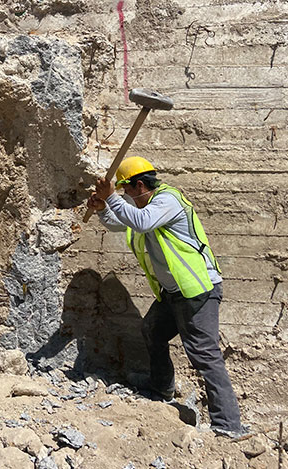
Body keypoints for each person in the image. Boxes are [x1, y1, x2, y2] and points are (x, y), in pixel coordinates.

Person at [87, 156, 244, 435]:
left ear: (138, 185)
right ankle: (162, 388)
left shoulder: (167, 201)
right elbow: (123, 223)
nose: (126, 197)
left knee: (204, 355)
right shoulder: (146, 205)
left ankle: (229, 425)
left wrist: (111, 197)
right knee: (152, 330)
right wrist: (103, 208)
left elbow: (141, 221)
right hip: (174, 292)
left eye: (126, 191)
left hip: (197, 292)